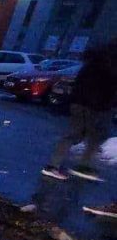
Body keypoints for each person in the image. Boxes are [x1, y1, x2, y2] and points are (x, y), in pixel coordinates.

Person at [42, 42, 116, 182]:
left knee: (82, 133)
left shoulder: (95, 61)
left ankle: (59, 165)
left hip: (84, 102)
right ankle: (61, 166)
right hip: (96, 105)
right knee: (89, 134)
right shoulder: (109, 64)